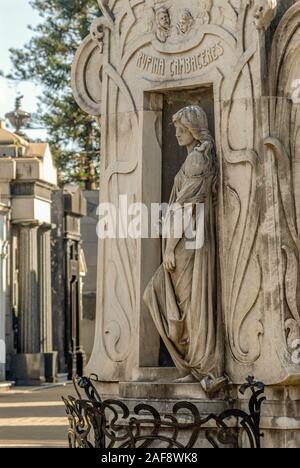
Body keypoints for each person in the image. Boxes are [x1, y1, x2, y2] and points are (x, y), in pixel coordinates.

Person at [144, 106, 227, 393]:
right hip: (193, 238)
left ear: (192, 129)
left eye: (181, 129)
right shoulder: (201, 155)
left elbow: (183, 208)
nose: (176, 134)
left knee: (181, 300)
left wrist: (168, 248)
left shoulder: (196, 159)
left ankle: (200, 367)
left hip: (187, 241)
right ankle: (194, 366)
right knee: (186, 302)